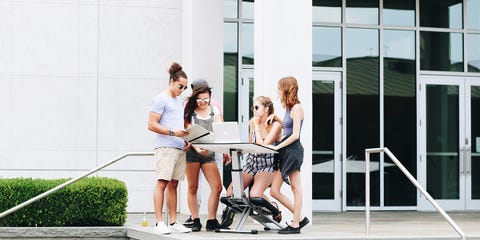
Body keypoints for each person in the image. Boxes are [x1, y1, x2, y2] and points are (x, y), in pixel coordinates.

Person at [221, 96, 283, 228]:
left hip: (267, 165)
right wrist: (237, 151)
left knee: (255, 195)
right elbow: (252, 144)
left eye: (256, 107)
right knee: (231, 191)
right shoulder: (252, 123)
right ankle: (229, 215)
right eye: (252, 107)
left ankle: (274, 209)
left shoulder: (275, 125)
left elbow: (263, 145)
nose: (254, 110)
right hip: (251, 163)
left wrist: (256, 126)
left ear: (266, 109)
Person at [147, 62, 192, 235]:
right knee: (163, 182)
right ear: (172, 82)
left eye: (185, 87)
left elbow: (178, 125)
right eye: (181, 86)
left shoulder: (178, 101)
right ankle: (159, 222)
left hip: (178, 147)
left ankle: (173, 222)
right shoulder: (160, 99)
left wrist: (185, 140)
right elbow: (151, 124)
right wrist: (173, 132)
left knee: (174, 184)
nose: (182, 89)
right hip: (165, 147)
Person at [184, 84, 231, 231]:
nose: (203, 102)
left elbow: (221, 130)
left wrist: (225, 150)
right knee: (193, 187)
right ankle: (195, 219)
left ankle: (212, 219)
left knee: (216, 187)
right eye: (200, 99)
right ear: (195, 98)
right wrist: (198, 148)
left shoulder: (214, 110)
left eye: (206, 99)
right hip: (192, 152)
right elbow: (188, 132)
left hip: (210, 153)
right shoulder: (189, 112)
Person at [269, 76, 310, 234]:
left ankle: (295, 224)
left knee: (295, 188)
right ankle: (299, 218)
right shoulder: (289, 108)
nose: (278, 91)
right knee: (274, 191)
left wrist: (277, 147)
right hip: (286, 150)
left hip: (292, 150)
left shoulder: (297, 108)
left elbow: (295, 135)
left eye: (280, 88)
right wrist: (277, 118)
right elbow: (287, 126)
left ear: (286, 89)